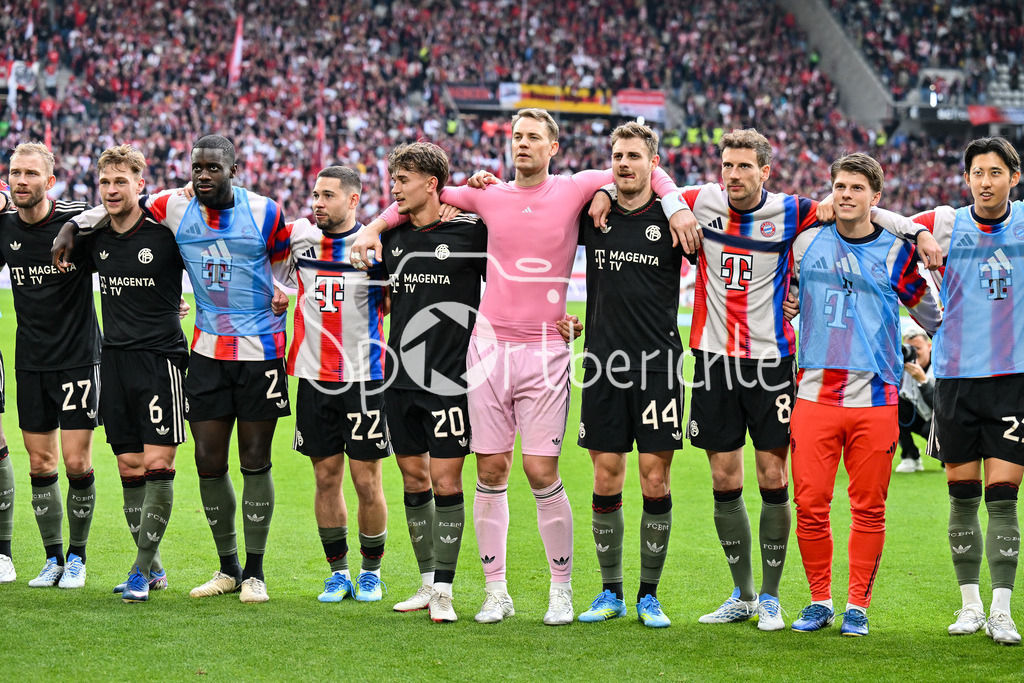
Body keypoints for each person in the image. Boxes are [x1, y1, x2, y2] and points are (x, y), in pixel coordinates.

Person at [351, 108, 697, 625]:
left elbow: (646, 170)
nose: (523, 144)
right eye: (516, 136)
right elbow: (421, 199)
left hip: (545, 350)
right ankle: (497, 593)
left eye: (534, 137)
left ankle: (562, 591)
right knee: (490, 471)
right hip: (487, 349)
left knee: (541, 471)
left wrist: (673, 205)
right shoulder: (486, 196)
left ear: (553, 147)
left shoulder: (579, 187)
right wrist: (375, 226)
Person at [590, 128, 939, 630]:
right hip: (712, 359)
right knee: (723, 479)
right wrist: (620, 191)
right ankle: (744, 593)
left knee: (773, 478)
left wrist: (916, 229)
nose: (733, 175)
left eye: (744, 167)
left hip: (772, 362)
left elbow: (855, 207)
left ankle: (773, 598)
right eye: (726, 166)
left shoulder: (793, 210)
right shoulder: (697, 201)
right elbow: (652, 180)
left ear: (765, 172)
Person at [55, 135, 290, 604]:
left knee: (255, 461)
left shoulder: (266, 211)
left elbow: (286, 256)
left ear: (234, 169)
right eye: (196, 167)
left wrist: (282, 287)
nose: (204, 175)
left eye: (213, 168)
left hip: (261, 351)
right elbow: (118, 207)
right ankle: (229, 569)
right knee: (208, 464)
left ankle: (256, 573)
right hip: (205, 353)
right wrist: (72, 228)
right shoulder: (173, 207)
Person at [787, 153, 941, 637]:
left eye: (857, 187)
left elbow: (934, 317)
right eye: (839, 186)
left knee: (868, 509)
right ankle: (818, 601)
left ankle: (857, 605)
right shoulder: (806, 242)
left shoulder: (897, 253)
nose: (846, 194)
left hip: (875, 401)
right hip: (813, 396)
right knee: (810, 505)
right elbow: (783, 298)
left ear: (876, 199)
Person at [572, 122, 691, 629]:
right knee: (606, 475)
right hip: (601, 364)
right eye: (617, 156)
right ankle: (610, 591)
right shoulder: (590, 216)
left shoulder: (674, 216)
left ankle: (649, 594)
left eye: (634, 156)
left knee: (654, 477)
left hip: (659, 366)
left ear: (652, 163)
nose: (624, 164)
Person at [910, 137, 1024, 645]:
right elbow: (889, 233)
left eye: (995, 172)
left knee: (1002, 500)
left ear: (1013, 179)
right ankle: (970, 606)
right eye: (977, 172)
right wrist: (931, 321)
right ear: (966, 178)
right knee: (961, 497)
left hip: (1011, 381)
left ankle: (1002, 610)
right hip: (955, 380)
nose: (985, 181)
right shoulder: (945, 222)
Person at [379, 143, 486, 623]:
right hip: (397, 379)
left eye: (402, 180)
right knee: (413, 477)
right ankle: (425, 584)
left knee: (446, 481)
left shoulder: (471, 230)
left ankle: (445, 590)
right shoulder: (391, 238)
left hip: (450, 380)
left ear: (431, 183)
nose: (395, 188)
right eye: (393, 180)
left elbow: (506, 286)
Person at [274, 166, 391, 605]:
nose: (317, 203)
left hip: (365, 377)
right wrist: (279, 292)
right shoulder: (300, 238)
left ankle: (372, 573)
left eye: (327, 195)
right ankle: (338, 573)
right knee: (325, 477)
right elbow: (257, 251)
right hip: (313, 378)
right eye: (315, 195)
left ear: (354, 200)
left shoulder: (378, 247)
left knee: (366, 481)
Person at [78, 145, 188, 602]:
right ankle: (154, 568)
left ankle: (139, 571)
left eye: (120, 181)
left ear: (141, 184)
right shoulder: (95, 236)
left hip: (161, 361)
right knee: (128, 465)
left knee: (160, 464)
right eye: (105, 182)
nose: (111, 190)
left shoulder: (166, 234)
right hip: (114, 362)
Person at [0, 143, 99, 589]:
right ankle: (52, 558)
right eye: (15, 173)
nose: (22, 180)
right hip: (31, 361)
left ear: (50, 182)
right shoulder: (4, 230)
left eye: (30, 174)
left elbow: (116, 219)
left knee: (77, 463)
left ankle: (78, 558)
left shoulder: (76, 222)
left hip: (78, 358)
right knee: (41, 464)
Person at [896, 327, 934, 473]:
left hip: (941, 422)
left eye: (917, 348)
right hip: (917, 416)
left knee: (931, 429)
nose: (913, 352)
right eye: (908, 348)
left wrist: (923, 381)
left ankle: (950, 459)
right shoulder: (902, 366)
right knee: (894, 408)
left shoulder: (941, 365)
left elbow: (942, 405)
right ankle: (910, 456)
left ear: (929, 347)